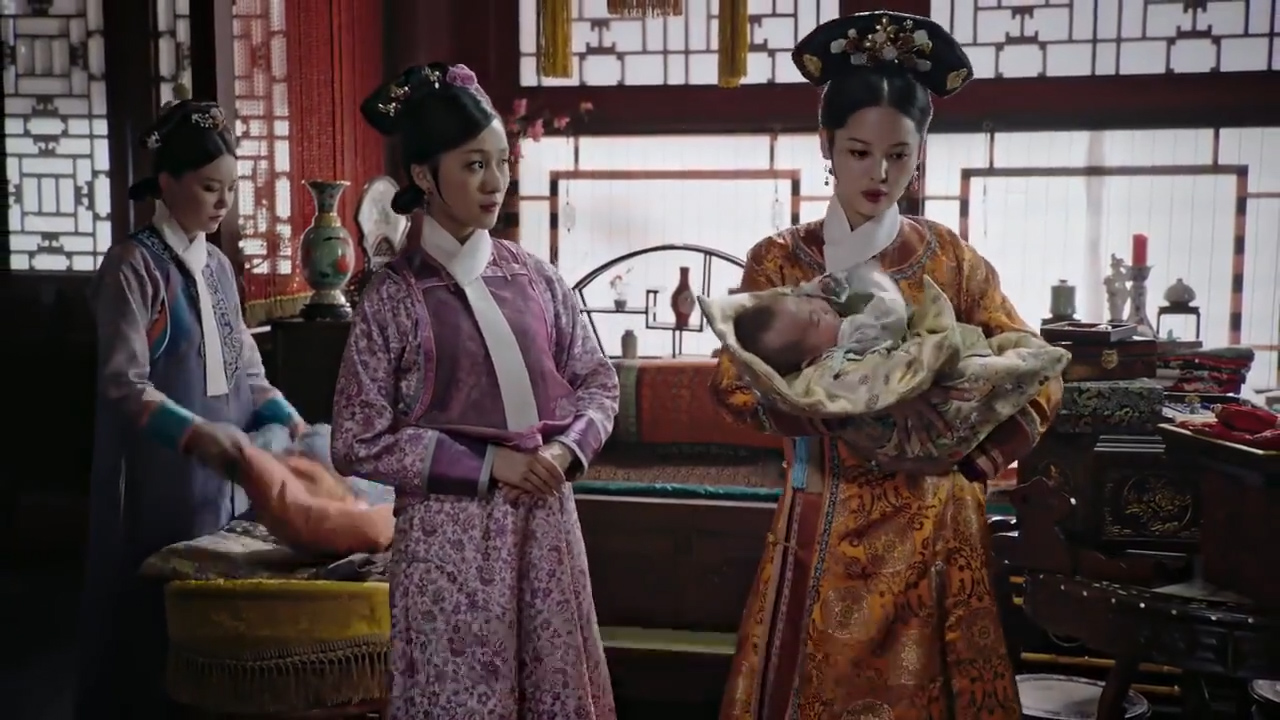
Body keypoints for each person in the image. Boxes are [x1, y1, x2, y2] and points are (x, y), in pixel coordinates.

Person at [711, 12, 1064, 720]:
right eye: (859, 151)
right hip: (826, 511)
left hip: (937, 519)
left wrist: (985, 453)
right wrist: (846, 407)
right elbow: (731, 383)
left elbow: (1039, 369)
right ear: (827, 146)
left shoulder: (949, 257)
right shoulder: (779, 261)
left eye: (899, 155)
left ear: (920, 152)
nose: (879, 173)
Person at [331, 62, 620, 719]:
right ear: (424, 176)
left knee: (553, 691)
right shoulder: (392, 298)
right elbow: (355, 440)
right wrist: (491, 465)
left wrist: (562, 452)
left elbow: (598, 381)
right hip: (448, 539)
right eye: (473, 166)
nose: (495, 182)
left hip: (546, 519)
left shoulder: (538, 278)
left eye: (502, 162)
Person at [76, 98, 306, 719]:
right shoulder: (133, 266)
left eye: (231, 187)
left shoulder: (220, 267)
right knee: (147, 620)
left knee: (212, 624)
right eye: (210, 187)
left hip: (225, 479)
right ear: (168, 182)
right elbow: (123, 384)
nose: (224, 201)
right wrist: (198, 433)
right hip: (158, 476)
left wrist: (283, 416)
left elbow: (247, 372)